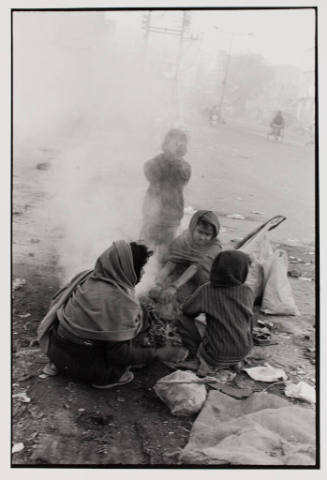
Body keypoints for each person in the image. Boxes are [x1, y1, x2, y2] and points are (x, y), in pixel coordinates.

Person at [38, 240, 184, 389]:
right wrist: (158, 353)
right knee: (135, 333)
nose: (144, 272)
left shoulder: (86, 277)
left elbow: (56, 305)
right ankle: (103, 378)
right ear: (128, 269)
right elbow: (119, 355)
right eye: (141, 268)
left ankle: (58, 366)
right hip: (90, 369)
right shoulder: (122, 302)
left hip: (56, 352)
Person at [176, 250, 254, 369]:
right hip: (244, 351)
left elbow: (187, 310)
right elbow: (248, 319)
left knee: (181, 319)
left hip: (216, 356)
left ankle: (195, 357)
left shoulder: (207, 289)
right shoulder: (248, 290)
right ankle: (234, 360)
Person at [139, 128, 191, 260]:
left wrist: (176, 162)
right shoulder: (156, 162)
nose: (176, 146)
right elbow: (150, 173)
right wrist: (167, 160)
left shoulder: (184, 166)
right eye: (173, 143)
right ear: (165, 144)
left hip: (172, 214)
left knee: (165, 249)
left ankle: (158, 273)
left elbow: (184, 178)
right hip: (152, 211)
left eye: (180, 144)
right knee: (145, 245)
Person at [150, 210, 222, 304]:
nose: (202, 237)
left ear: (213, 235)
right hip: (181, 273)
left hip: (199, 281)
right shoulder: (185, 238)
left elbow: (195, 267)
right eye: (200, 232)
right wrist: (158, 284)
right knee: (153, 293)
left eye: (207, 234)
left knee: (172, 301)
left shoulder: (214, 247)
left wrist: (174, 287)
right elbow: (172, 261)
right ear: (192, 228)